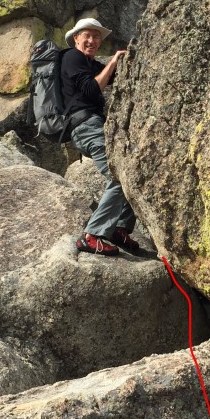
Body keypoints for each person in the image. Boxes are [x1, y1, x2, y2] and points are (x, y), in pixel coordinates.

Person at [61, 17, 138, 256]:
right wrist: (113, 61)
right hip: (85, 126)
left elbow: (115, 77)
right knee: (118, 176)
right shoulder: (71, 57)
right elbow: (93, 89)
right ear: (76, 38)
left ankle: (120, 229)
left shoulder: (91, 64)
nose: (93, 40)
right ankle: (92, 235)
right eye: (88, 35)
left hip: (92, 126)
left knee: (131, 172)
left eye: (97, 37)